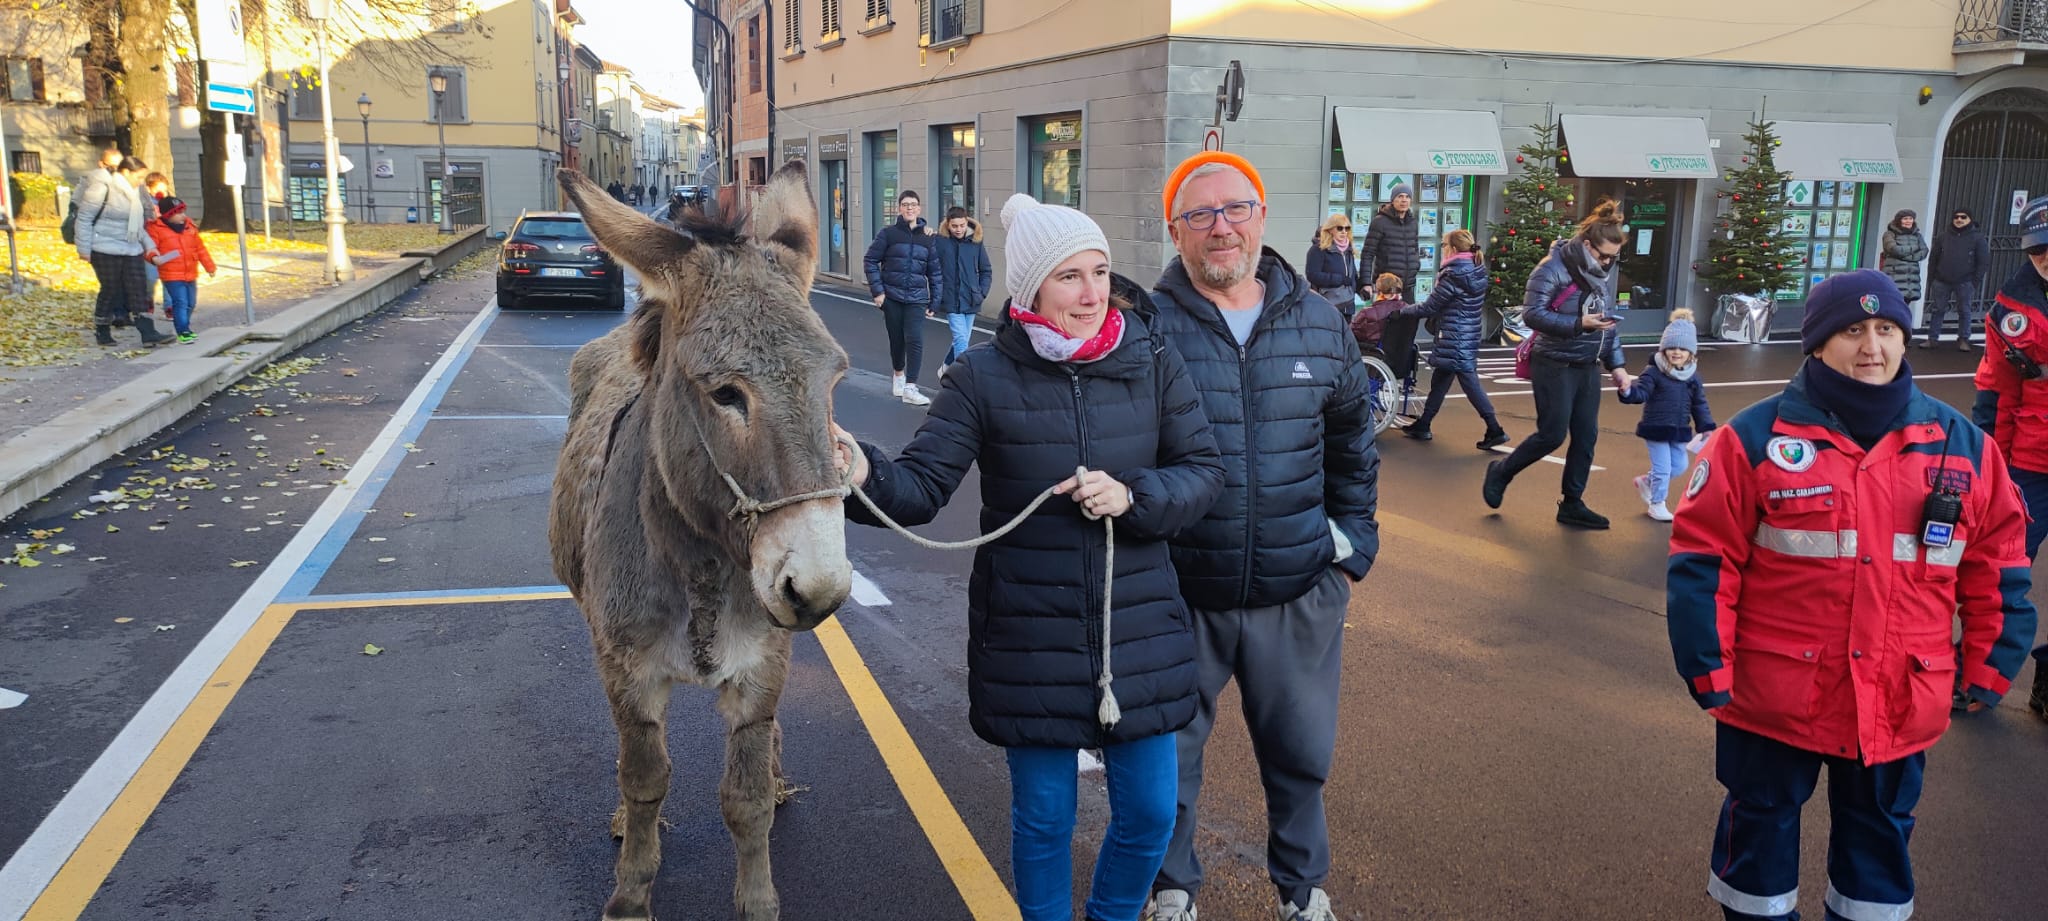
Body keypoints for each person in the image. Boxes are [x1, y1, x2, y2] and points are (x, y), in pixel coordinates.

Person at [834, 193, 1224, 921]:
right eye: (1070, 276)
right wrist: (860, 472)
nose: (1091, 292)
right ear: (1032, 289)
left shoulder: (1151, 359)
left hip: (1139, 632)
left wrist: (1134, 494)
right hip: (1029, 636)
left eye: (1100, 271)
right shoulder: (983, 377)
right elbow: (918, 487)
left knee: (1149, 815)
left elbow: (1204, 470)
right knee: (1044, 820)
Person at [1667, 268, 2036, 921]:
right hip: (1773, 695)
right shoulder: (1754, 440)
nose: (1873, 345)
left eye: (1887, 329)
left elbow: (1998, 563)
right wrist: (1705, 661)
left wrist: (1992, 661)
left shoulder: (1962, 447)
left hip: (1898, 697)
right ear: (1816, 343)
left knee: (1879, 842)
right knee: (1760, 833)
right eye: (1853, 330)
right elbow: (1704, 558)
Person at [1145, 150, 1378, 921]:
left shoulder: (1318, 322)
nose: (1221, 228)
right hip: (1182, 594)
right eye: (1201, 214)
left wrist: (1350, 550)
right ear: (1174, 229)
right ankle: (1172, 885)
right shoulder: (1147, 327)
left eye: (1235, 209)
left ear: (1263, 216)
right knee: (1170, 758)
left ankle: (1303, 889)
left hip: (1295, 590)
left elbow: (1353, 444)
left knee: (1300, 755)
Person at [1482, 201, 1634, 529]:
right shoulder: (1552, 268)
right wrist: (1579, 324)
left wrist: (1617, 365)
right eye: (1604, 255)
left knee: (1586, 436)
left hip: (1587, 364)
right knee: (1552, 435)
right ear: (1588, 245)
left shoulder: (1599, 274)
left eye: (1613, 258)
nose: (1608, 263)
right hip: (1554, 363)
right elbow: (1532, 314)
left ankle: (1572, 503)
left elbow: (1607, 322)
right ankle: (1500, 472)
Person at [1969, 193, 2048, 721]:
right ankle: (1981, 678)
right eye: (2040, 252)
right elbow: (1995, 391)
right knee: (2004, 573)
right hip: (2029, 464)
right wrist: (1985, 462)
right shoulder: (2013, 310)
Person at [1394, 229, 1506, 449]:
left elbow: (1431, 306)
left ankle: (1495, 428)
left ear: (1453, 249)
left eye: (1444, 244)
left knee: (1470, 384)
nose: (1442, 248)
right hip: (1468, 333)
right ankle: (1424, 424)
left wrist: (1402, 310)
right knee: (1440, 381)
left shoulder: (1453, 274)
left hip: (1454, 335)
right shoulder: (1475, 270)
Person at [1617, 308, 1714, 521]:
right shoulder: (1653, 372)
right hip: (1656, 428)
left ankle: (1647, 482)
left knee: (1679, 466)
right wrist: (1627, 391)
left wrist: (1706, 428)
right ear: (1663, 349)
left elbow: (1700, 404)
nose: (1676, 352)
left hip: (1679, 429)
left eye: (1682, 348)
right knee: (1663, 469)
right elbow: (1641, 392)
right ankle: (1657, 504)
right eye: (1671, 347)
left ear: (1691, 353)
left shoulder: (1693, 377)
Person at [74, 155, 169, 347]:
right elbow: (84, 218)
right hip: (104, 247)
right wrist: (84, 249)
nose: (141, 182)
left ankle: (148, 332)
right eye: (139, 177)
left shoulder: (135, 193)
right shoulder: (103, 187)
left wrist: (150, 247)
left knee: (138, 290)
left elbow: (137, 225)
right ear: (126, 172)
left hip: (131, 247)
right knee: (111, 289)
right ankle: (102, 329)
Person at [863, 189, 944, 406]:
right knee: (897, 340)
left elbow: (934, 272)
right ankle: (898, 375)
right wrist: (878, 292)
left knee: (915, 339)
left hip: (917, 298)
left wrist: (935, 300)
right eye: (905, 204)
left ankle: (911, 387)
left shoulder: (928, 238)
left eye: (913, 204)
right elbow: (870, 260)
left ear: (919, 208)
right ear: (899, 208)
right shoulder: (888, 234)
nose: (909, 208)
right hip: (892, 296)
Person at [1360, 182, 1421, 383]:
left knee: (1408, 328)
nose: (1403, 200)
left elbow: (1414, 246)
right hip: (1388, 286)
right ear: (1392, 200)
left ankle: (1402, 373)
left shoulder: (1413, 222)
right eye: (1399, 196)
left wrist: (1416, 265)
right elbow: (1368, 253)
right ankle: (1383, 373)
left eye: (1407, 197)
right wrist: (1366, 282)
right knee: (1386, 332)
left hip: (1408, 285)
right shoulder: (1380, 222)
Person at [143, 197, 217, 344]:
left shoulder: (190, 227)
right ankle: (182, 331)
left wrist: (209, 266)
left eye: (183, 211)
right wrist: (153, 257)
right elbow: (150, 248)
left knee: (191, 303)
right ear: (168, 215)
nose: (183, 215)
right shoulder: (156, 229)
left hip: (190, 272)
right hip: (171, 274)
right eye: (178, 213)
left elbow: (200, 248)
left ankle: (185, 326)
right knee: (180, 302)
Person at [933, 206, 991, 373]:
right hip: (951, 299)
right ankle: (960, 378)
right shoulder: (940, 242)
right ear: (948, 225)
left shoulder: (975, 242)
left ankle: (945, 368)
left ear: (967, 222)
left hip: (971, 298)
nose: (958, 229)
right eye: (954, 226)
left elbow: (986, 270)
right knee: (961, 341)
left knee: (962, 339)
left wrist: (981, 293)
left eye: (962, 225)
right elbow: (932, 268)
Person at [1925, 208, 1988, 351]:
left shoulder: (1978, 238)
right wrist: (1932, 279)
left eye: (1963, 217)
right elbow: (1933, 258)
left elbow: (1983, 262)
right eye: (1956, 217)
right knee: (1937, 309)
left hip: (1965, 282)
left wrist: (1974, 282)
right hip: (1941, 281)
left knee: (1964, 310)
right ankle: (1932, 339)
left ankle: (1964, 339)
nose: (1959, 220)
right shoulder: (1943, 236)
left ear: (1969, 219)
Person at [1304, 213, 1359, 318]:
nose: (1344, 231)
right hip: (1327, 304)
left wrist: (1363, 287)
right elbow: (1312, 275)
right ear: (1330, 229)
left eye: (1347, 228)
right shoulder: (1318, 249)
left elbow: (1353, 276)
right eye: (1339, 228)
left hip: (1348, 305)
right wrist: (1340, 279)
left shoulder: (1349, 250)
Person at [1349, 272, 1405, 355]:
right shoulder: (1408, 309)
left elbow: (1351, 334)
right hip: (1402, 358)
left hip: (1375, 355)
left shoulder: (1367, 313)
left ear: (1379, 291)